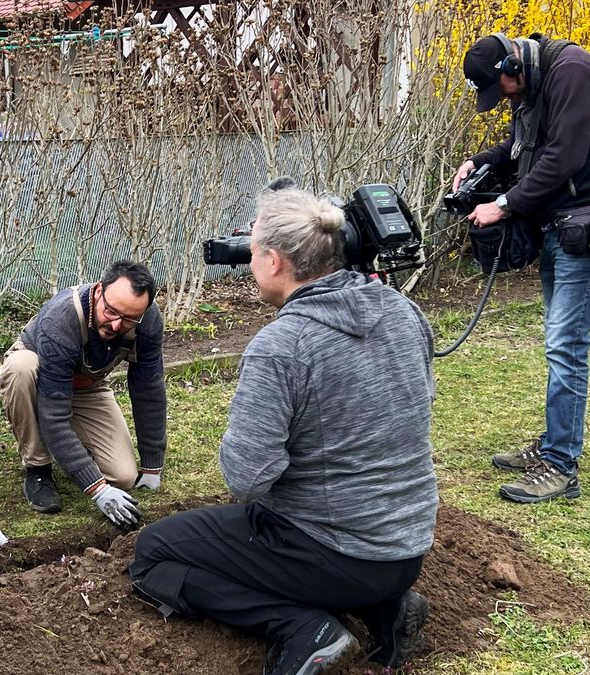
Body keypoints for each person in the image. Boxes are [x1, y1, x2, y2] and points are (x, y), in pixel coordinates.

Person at [129, 180, 439, 674]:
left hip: (335, 552)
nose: (249, 263)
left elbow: (248, 480)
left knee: (153, 554)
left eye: (252, 251)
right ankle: (390, 610)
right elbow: (418, 405)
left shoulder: (283, 344)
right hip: (407, 547)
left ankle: (303, 629)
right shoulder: (405, 312)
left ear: (274, 261)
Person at [457, 32, 590, 503]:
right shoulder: (534, 81)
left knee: (566, 344)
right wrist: (478, 160)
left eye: (505, 91)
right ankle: (555, 442)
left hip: (589, 222)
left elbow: (564, 156)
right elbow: (521, 146)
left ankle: (560, 464)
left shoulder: (572, 71)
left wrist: (505, 204)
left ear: (512, 67)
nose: (507, 100)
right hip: (561, 223)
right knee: (560, 342)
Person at [0, 260, 166, 527]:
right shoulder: (62, 318)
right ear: (99, 291)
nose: (115, 325)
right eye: (111, 312)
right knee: (20, 369)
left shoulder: (148, 321)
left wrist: (152, 464)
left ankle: (73, 451)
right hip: (41, 377)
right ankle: (38, 468)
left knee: (123, 477)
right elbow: (53, 415)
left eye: (128, 320)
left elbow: (149, 389)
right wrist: (97, 490)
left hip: (87, 385)